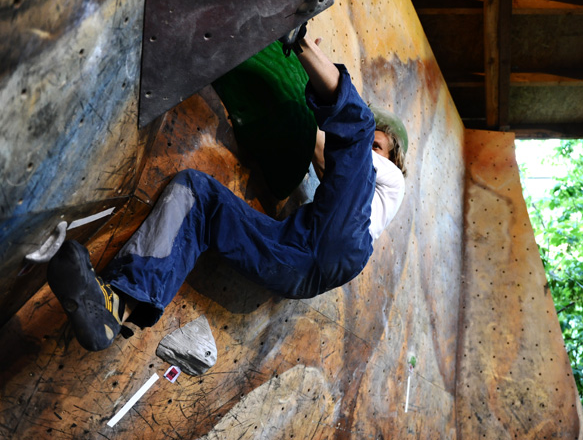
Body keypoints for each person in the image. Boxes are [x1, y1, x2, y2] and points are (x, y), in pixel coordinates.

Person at [47, 33, 407, 351]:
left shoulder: (392, 182)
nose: (370, 153)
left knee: (356, 125)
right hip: (294, 264)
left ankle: (296, 34)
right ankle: (115, 306)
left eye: (379, 147)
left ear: (393, 159)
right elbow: (330, 155)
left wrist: (301, 54)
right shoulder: (344, 184)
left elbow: (343, 142)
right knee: (197, 195)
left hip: (338, 248)